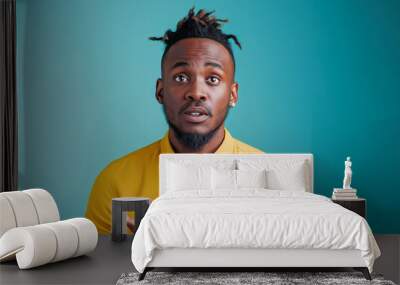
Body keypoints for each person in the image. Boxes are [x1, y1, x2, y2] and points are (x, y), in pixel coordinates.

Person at [85, 7, 264, 234]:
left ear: (232, 95)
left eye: (213, 78)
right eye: (181, 77)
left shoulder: (265, 175)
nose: (196, 92)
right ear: (160, 91)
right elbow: (103, 268)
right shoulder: (115, 183)